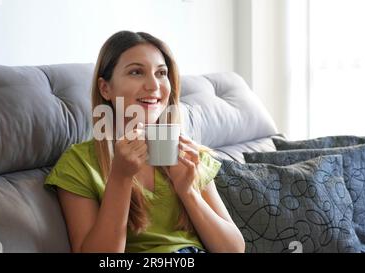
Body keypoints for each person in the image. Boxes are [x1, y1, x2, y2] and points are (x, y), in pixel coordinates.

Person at [45, 30, 245, 253]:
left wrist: (188, 191)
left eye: (161, 73)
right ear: (105, 88)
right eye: (136, 72)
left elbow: (233, 249)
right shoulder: (79, 164)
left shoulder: (189, 155)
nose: (154, 85)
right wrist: (120, 177)